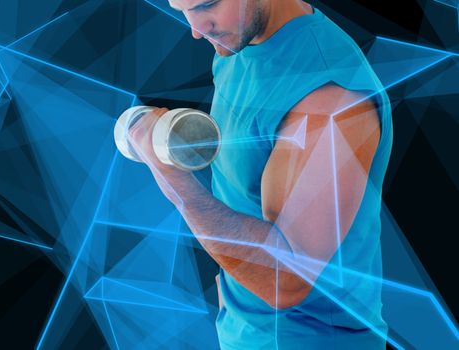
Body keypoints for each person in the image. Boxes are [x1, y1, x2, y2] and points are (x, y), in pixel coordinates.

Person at [128, 0, 392, 348]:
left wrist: (174, 181)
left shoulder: (329, 104)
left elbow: (287, 280)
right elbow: (244, 188)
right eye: (184, 9)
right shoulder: (236, 43)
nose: (196, 29)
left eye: (207, 5)